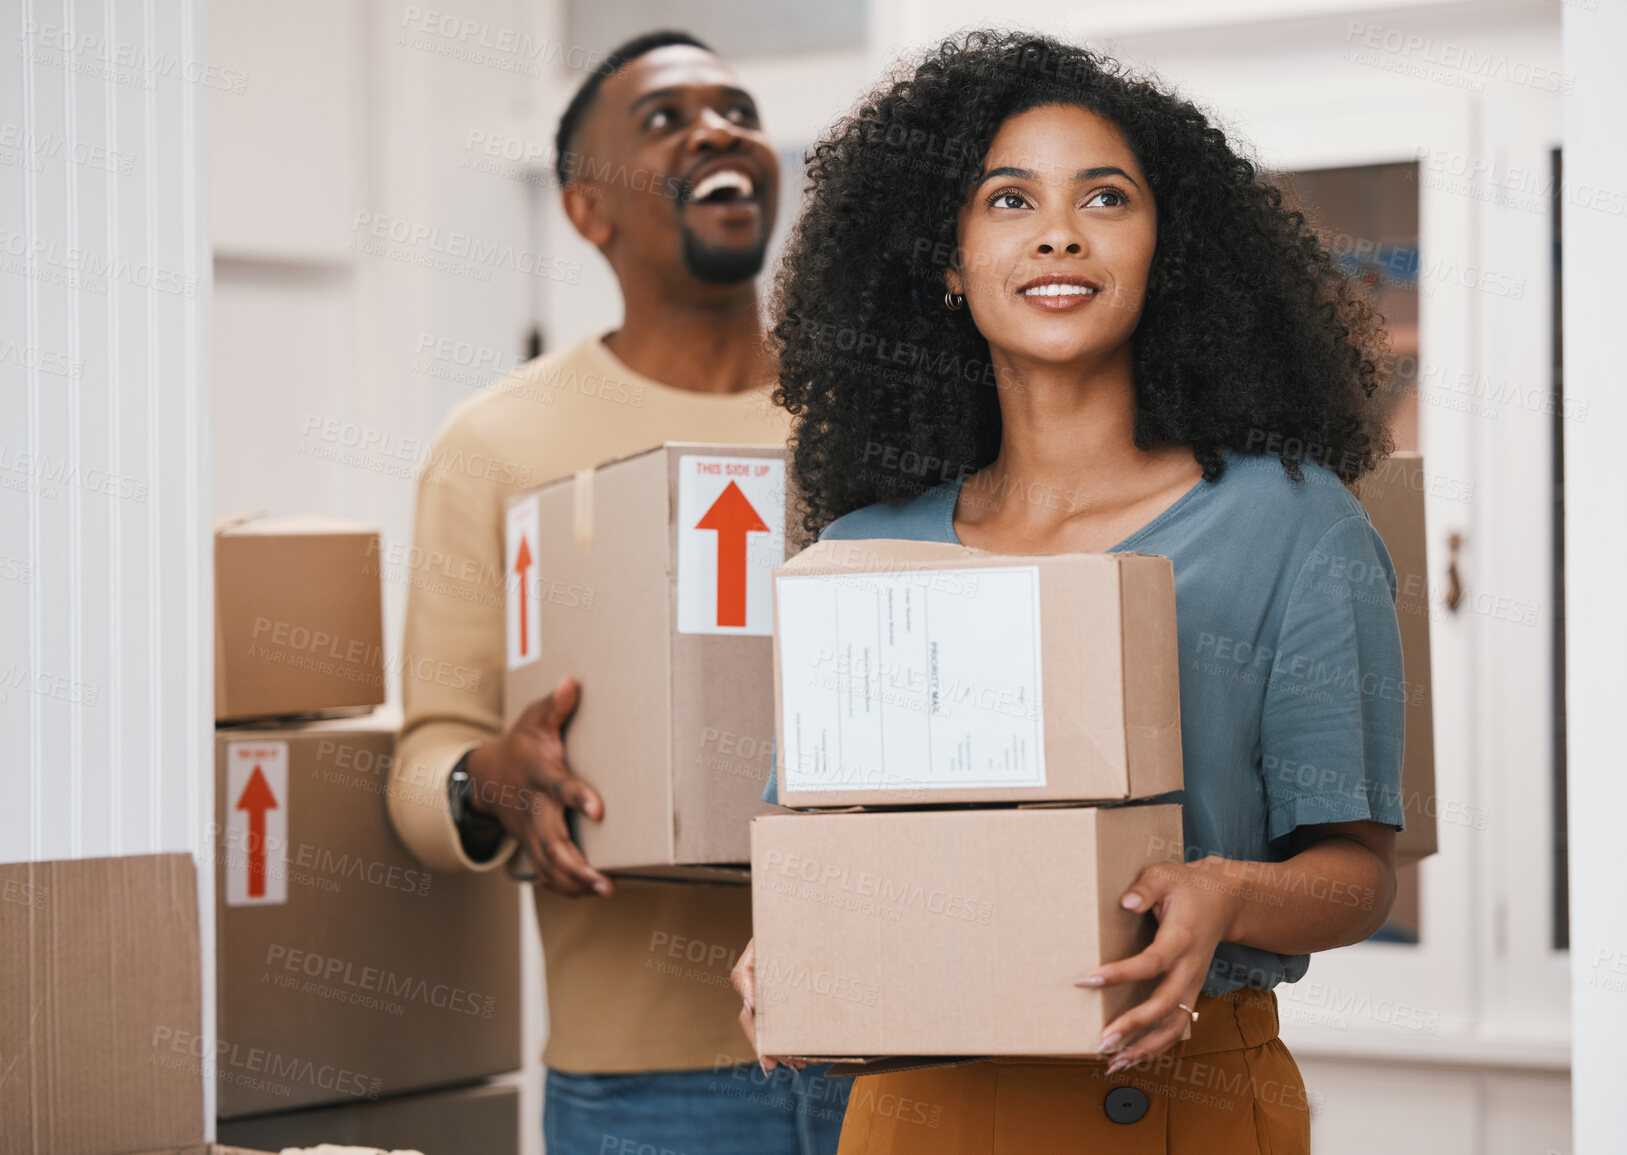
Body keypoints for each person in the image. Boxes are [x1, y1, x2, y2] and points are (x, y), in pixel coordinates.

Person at [733, 31, 1406, 1153]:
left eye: (1106, 196)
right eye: (1008, 199)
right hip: (917, 1108)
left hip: (1171, 1099)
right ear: (944, 260)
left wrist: (1225, 892)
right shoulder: (862, 550)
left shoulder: (1289, 524)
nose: (1058, 231)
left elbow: (1358, 875)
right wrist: (790, 942)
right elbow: (821, 845)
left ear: (1165, 249)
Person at [386, 30, 848, 1155]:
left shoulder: (871, 416)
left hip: (890, 1043)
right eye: (664, 119)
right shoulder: (497, 443)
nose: (717, 130)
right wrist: (486, 780)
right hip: (649, 1089)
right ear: (586, 209)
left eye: (736, 108)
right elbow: (421, 755)